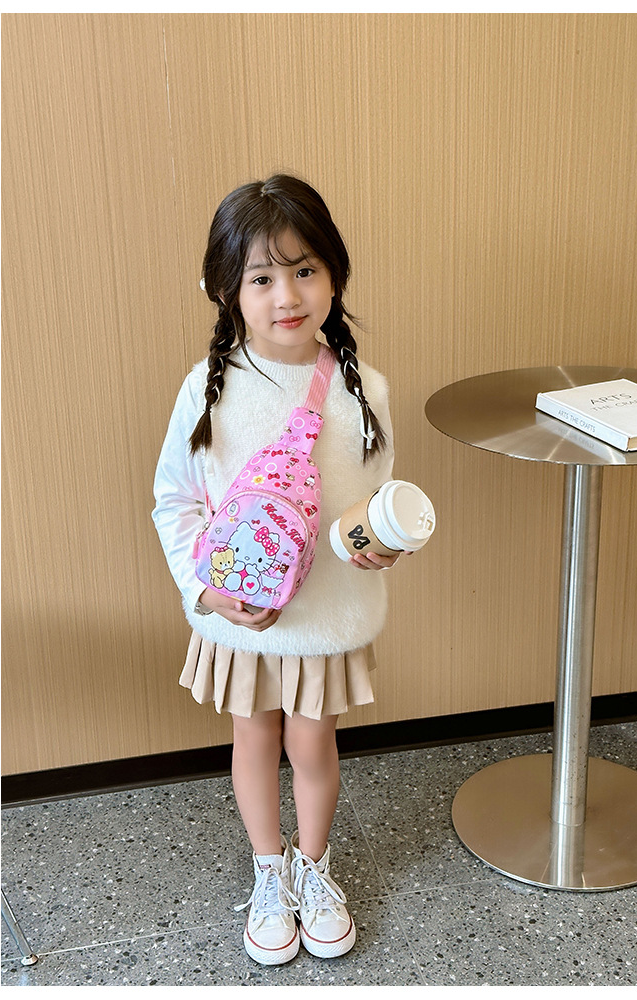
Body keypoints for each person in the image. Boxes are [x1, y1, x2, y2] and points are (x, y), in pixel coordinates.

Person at [152, 175, 402, 965]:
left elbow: (375, 502)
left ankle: (314, 869)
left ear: (334, 275)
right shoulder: (209, 391)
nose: (286, 295)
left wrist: (383, 540)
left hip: (323, 616)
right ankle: (270, 871)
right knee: (254, 740)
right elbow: (174, 501)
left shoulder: (365, 391)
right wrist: (205, 590)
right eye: (261, 278)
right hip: (242, 618)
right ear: (226, 290)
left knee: (314, 746)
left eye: (304, 270)